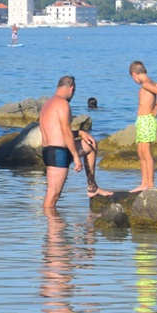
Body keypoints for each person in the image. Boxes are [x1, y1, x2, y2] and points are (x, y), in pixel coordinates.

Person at [38, 75, 104, 213]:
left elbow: (57, 131)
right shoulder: (62, 103)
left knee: (91, 144)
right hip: (57, 152)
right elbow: (65, 131)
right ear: (71, 88)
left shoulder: (48, 103)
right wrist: (75, 157)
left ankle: (92, 187)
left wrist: (80, 133)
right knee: (53, 195)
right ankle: (51, 224)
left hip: (54, 149)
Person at [130, 60, 157, 191]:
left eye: (133, 78)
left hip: (147, 120)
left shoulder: (146, 84)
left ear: (134, 74)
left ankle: (150, 184)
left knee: (146, 152)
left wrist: (156, 108)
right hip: (142, 120)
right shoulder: (150, 82)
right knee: (140, 151)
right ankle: (144, 183)